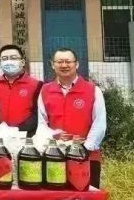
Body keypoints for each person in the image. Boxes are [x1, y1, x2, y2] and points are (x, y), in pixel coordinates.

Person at [38, 48, 106, 188]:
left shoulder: (92, 90)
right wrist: (53, 135)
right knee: (56, 196)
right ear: (52, 65)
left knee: (85, 196)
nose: (64, 65)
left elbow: (99, 123)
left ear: (77, 64)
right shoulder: (45, 90)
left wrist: (84, 149)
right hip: (54, 156)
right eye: (59, 62)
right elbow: (41, 123)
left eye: (68, 61)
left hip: (87, 156)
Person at [0, 44, 43, 135]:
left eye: (13, 58)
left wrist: (18, 130)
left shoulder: (36, 85)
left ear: (23, 62)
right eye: (4, 59)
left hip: (25, 136)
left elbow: (38, 114)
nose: (9, 61)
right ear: (0, 63)